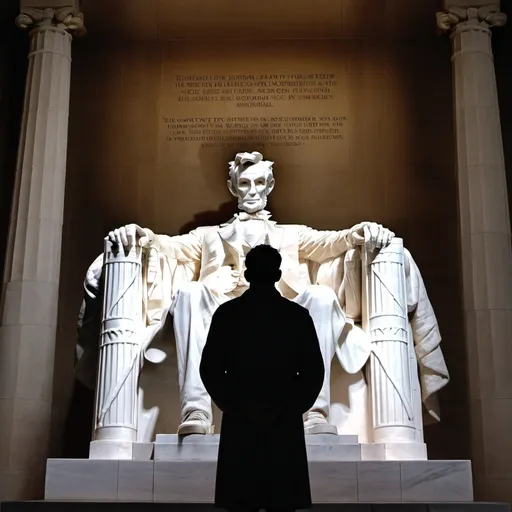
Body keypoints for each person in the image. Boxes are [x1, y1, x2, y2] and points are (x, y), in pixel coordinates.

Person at [102, 151, 394, 436]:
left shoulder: (292, 234)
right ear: (233, 187)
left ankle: (314, 412)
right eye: (244, 183)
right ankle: (196, 410)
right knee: (190, 292)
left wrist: (360, 232)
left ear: (269, 186)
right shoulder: (208, 235)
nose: (251, 190)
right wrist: (144, 236)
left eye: (258, 183)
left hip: (282, 310)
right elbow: (170, 246)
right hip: (226, 311)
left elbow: (330, 242)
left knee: (321, 297)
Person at [200, 244, 324, 512]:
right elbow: (313, 372)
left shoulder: (228, 314)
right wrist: (288, 408)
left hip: (241, 419)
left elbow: (210, 369)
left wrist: (235, 405)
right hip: (283, 422)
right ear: (278, 274)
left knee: (241, 501)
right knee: (282, 501)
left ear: (246, 274)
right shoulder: (297, 316)